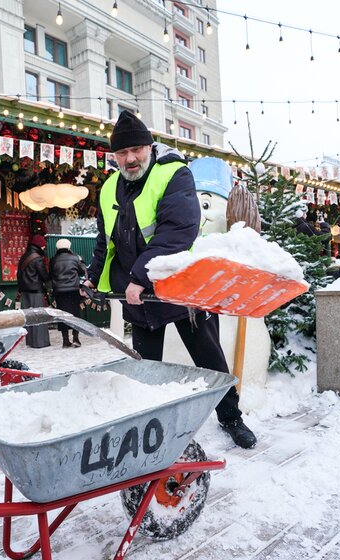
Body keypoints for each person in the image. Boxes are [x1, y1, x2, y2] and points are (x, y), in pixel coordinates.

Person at [83, 110, 257, 449]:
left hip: (182, 292)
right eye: (122, 153)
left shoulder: (174, 175)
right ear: (114, 156)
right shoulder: (108, 189)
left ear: (149, 147)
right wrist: (93, 276)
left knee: (210, 360)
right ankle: (151, 427)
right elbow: (107, 241)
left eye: (136, 150)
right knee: (147, 369)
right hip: (142, 302)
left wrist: (139, 277)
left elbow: (177, 232)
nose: (130, 158)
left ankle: (231, 418)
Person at [49, 238, 86, 348]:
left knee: (62, 316)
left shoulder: (53, 260)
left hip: (59, 292)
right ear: (68, 247)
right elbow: (82, 271)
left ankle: (65, 340)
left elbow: (50, 274)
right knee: (75, 315)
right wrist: (82, 262)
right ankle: (76, 338)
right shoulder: (74, 258)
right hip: (73, 291)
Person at [18, 234, 51, 348]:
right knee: (38, 317)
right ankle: (40, 342)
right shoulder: (37, 258)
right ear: (39, 245)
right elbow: (44, 276)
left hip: (25, 291)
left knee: (29, 318)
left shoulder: (24, 257)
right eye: (43, 245)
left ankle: (31, 341)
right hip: (36, 291)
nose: (44, 248)